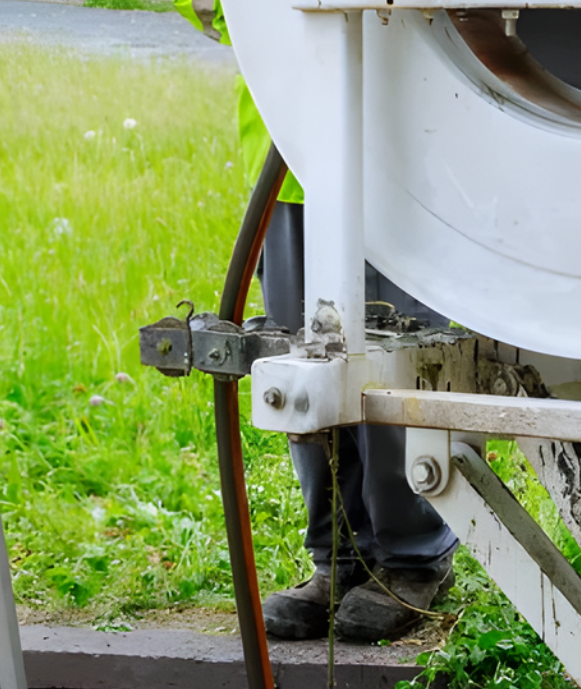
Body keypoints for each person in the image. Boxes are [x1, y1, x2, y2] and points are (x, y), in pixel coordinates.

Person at [176, 1, 458, 644]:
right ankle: (339, 557)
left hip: (413, 144)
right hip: (292, 143)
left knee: (400, 356)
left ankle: (414, 555)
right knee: (309, 368)